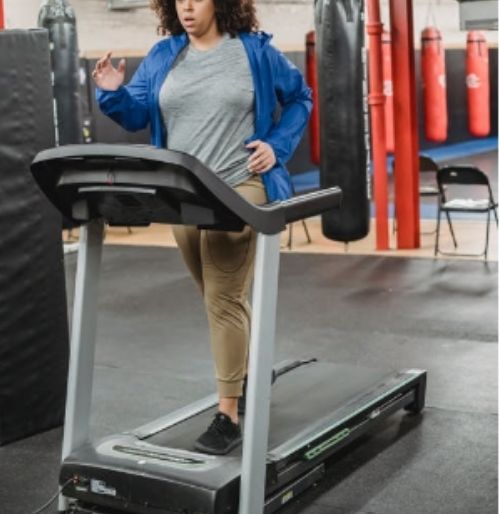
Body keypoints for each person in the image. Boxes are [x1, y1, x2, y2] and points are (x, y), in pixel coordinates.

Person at [92, 0, 312, 455]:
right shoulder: (163, 55)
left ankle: (228, 415)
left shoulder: (254, 52)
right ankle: (251, 369)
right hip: (183, 196)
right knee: (215, 296)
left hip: (240, 185)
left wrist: (277, 145)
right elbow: (137, 113)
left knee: (223, 297)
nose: (187, 5)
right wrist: (113, 92)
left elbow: (300, 98)